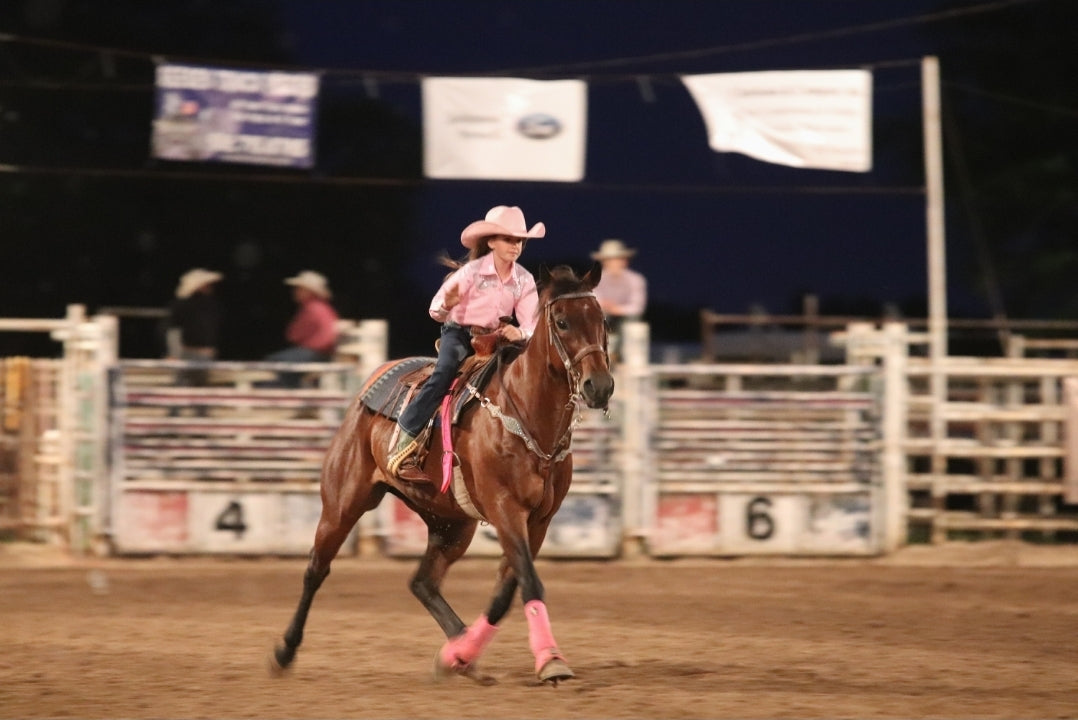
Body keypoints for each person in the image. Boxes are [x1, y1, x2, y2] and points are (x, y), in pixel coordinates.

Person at [388, 205, 546, 484]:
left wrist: (519, 333)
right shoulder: (471, 273)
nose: (516, 246)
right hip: (460, 333)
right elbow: (436, 308)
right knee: (444, 373)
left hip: (498, 338)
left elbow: (531, 322)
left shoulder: (523, 279)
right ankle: (406, 437)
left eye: (520, 241)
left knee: (527, 379)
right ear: (492, 242)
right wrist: (447, 306)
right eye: (509, 239)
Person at [264, 271, 340, 388]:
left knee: (275, 362)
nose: (295, 292)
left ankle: (278, 394)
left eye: (299, 289)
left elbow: (292, 335)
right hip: (318, 353)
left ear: (308, 291)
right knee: (281, 362)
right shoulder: (320, 308)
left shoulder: (314, 309)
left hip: (315, 353)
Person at [165, 268, 223, 416]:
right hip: (187, 352)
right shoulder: (186, 305)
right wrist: (175, 353)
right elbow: (173, 330)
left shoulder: (209, 305)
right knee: (187, 388)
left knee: (195, 388)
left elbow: (174, 329)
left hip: (199, 353)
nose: (210, 287)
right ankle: (178, 418)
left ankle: (191, 418)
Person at [590, 238, 647, 362]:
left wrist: (616, 309)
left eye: (617, 259)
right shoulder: (597, 279)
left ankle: (623, 357)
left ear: (625, 261)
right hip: (603, 318)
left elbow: (637, 307)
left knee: (632, 323)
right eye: (610, 260)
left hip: (625, 320)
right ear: (604, 262)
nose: (614, 263)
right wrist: (607, 307)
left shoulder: (636, 279)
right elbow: (594, 301)